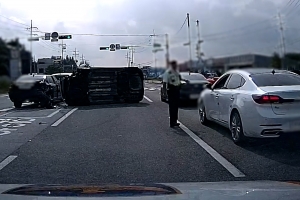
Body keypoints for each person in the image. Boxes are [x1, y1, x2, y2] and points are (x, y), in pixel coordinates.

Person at [163, 61, 181, 127]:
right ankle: (172, 122)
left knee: (176, 107)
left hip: (177, 90)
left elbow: (178, 81)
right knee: (172, 107)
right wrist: (164, 93)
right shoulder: (168, 72)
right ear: (172, 65)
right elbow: (164, 83)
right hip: (171, 90)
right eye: (174, 65)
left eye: (176, 65)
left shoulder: (176, 72)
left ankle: (175, 121)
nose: (175, 66)